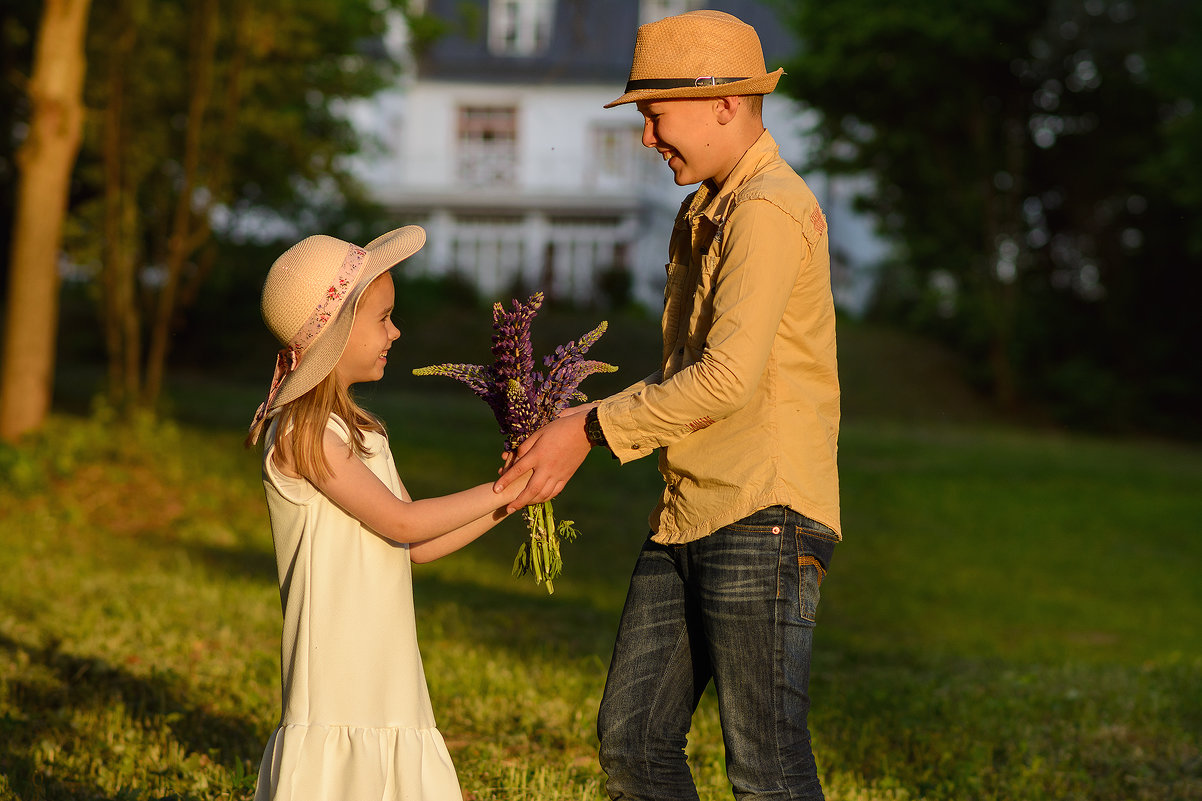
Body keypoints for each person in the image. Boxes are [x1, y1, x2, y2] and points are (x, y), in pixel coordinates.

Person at [494, 10, 841, 800]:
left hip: (764, 510)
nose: (648, 138)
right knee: (634, 741)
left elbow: (725, 379)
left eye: (656, 115)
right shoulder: (704, 210)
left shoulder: (764, 210)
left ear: (724, 103)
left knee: (767, 768)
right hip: (689, 507)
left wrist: (587, 425)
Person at [245, 226, 527, 801]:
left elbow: (415, 544)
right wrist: (501, 492)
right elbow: (405, 523)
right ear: (337, 331)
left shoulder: (363, 435)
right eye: (383, 318)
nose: (395, 331)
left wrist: (515, 494)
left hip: (387, 668)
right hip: (336, 676)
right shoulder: (302, 435)